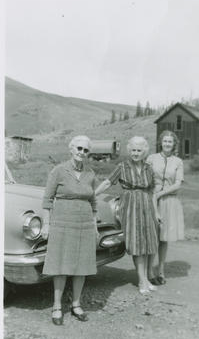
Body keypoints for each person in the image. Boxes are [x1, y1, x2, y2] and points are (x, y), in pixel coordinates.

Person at [41, 135, 99, 325]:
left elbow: (93, 201)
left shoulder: (90, 173)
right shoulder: (58, 171)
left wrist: (95, 224)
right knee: (61, 265)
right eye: (79, 148)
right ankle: (57, 306)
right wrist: (47, 224)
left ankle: (76, 304)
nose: (82, 152)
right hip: (62, 223)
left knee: (81, 265)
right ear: (71, 149)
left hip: (84, 224)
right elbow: (47, 200)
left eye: (86, 150)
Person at [95, 136, 159, 294]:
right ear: (129, 151)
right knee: (137, 243)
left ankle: (145, 278)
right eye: (133, 150)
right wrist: (93, 194)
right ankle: (142, 281)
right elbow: (108, 182)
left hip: (146, 206)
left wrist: (156, 212)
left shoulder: (148, 168)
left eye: (139, 150)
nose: (136, 153)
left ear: (144, 152)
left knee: (147, 244)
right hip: (130, 206)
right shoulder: (122, 166)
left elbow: (152, 191)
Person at [147, 130, 184, 285]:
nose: (167, 144)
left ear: (174, 144)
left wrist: (160, 193)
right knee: (152, 237)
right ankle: (149, 271)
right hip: (151, 200)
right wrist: (152, 194)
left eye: (170, 141)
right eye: (165, 141)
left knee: (164, 239)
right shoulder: (151, 159)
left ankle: (161, 270)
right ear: (160, 143)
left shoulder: (178, 161)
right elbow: (145, 178)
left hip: (168, 201)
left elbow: (178, 183)